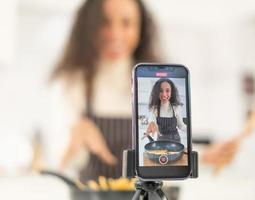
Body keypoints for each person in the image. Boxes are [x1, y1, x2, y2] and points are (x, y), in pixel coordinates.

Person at [49, 0, 239, 182]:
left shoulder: (151, 80)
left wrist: (205, 155)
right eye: (104, 22)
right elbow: (63, 162)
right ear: (89, 27)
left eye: (126, 23)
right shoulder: (74, 81)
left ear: (140, 29)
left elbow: (165, 145)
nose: (115, 34)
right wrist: (75, 141)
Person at [144, 78, 186, 143]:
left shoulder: (176, 107)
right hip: (161, 142)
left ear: (172, 93)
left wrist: (191, 130)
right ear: (156, 93)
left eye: (167, 91)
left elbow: (181, 125)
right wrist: (152, 124)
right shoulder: (154, 108)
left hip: (175, 142)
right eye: (161, 91)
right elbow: (153, 122)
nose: (164, 94)